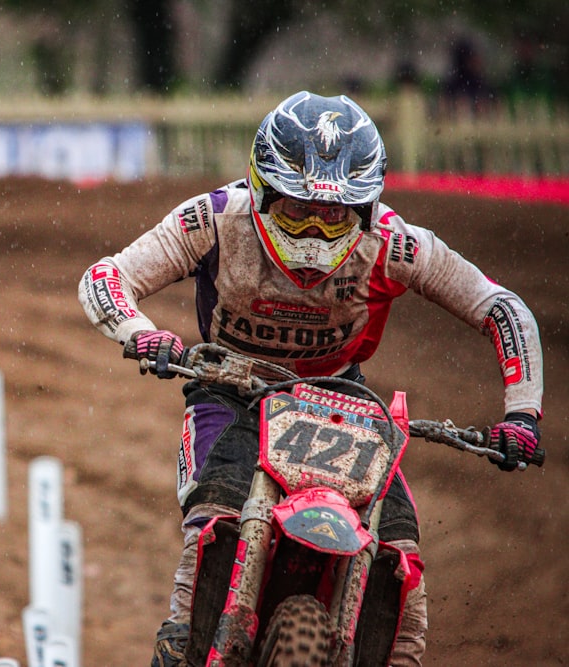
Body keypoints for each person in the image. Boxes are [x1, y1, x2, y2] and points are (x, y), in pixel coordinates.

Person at [77, 91, 544, 666]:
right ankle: (181, 645)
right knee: (214, 524)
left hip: (341, 398)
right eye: (298, 212)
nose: (315, 234)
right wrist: (141, 333)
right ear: (263, 191)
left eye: (334, 217)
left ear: (367, 210)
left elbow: (500, 308)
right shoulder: (217, 218)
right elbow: (108, 276)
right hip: (232, 387)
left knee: (401, 560)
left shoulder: (394, 243)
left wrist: (522, 414)